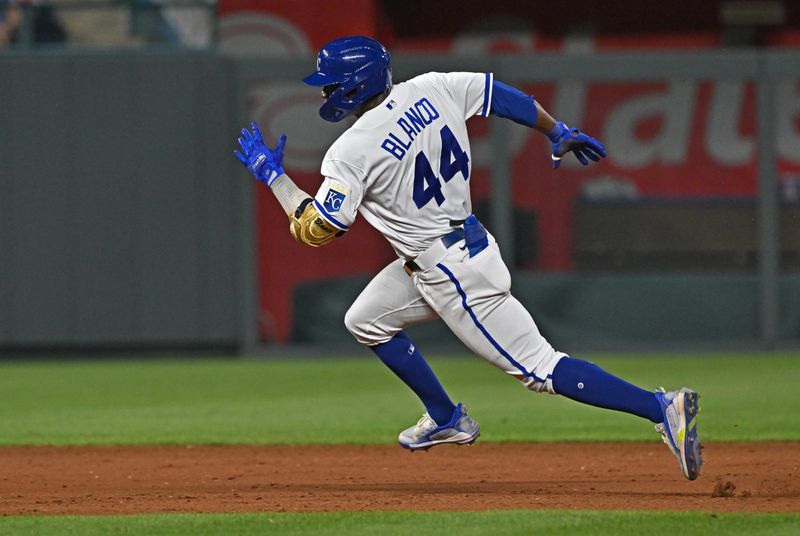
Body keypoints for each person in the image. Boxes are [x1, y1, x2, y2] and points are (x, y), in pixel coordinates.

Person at [234, 36, 703, 480]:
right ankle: (445, 416)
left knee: (540, 368)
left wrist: (273, 177)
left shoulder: (349, 151)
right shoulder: (434, 86)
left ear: (357, 85)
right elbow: (500, 95)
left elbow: (318, 231)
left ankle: (660, 407)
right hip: (456, 245)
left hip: (450, 271)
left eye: (333, 84)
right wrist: (555, 130)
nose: (328, 94)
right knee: (365, 319)